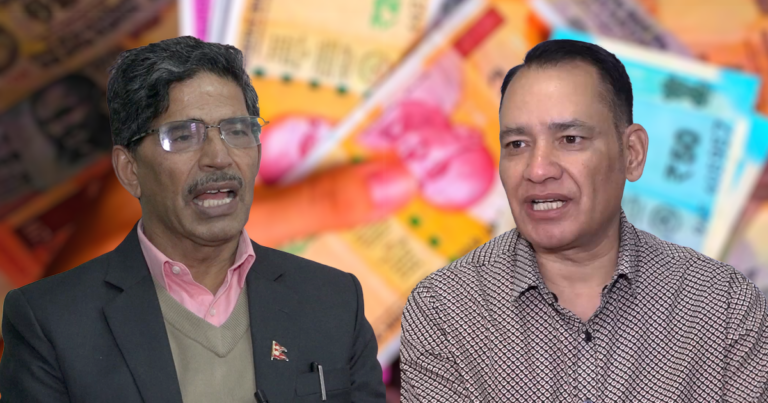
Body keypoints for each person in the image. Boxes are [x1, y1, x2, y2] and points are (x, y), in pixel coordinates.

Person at [0, 36, 385, 403]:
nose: (218, 157)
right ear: (130, 170)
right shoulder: (47, 323)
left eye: (238, 130)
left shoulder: (339, 299)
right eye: (182, 136)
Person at [399, 39, 768, 401]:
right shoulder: (443, 310)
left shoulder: (724, 305)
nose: (537, 170)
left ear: (632, 153)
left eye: (570, 139)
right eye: (517, 145)